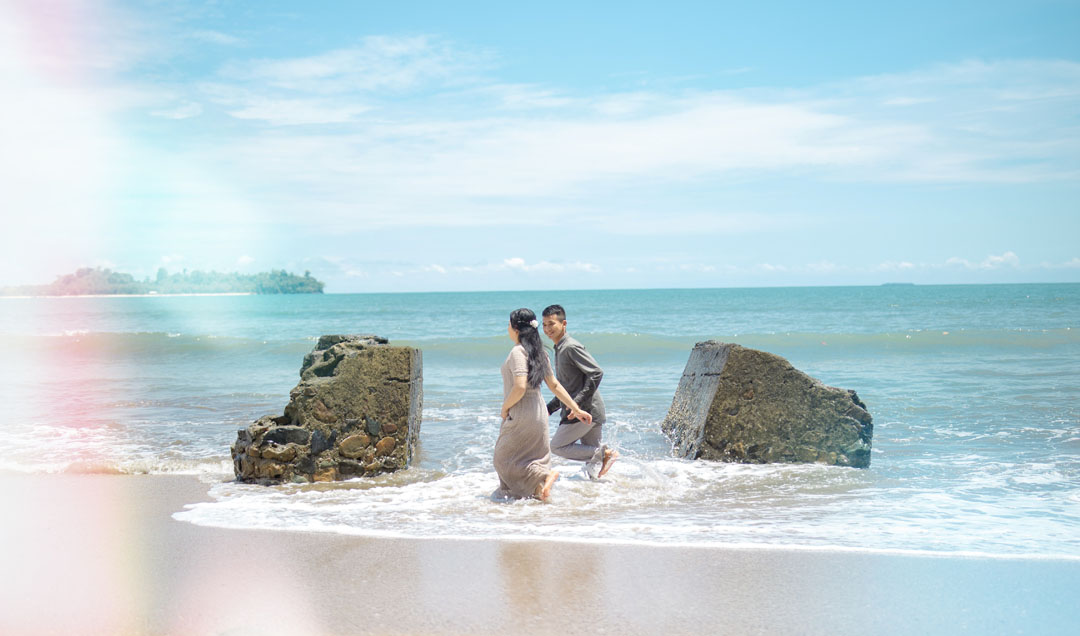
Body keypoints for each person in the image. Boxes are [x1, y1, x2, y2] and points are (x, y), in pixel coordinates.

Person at [496, 308, 593, 502]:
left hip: (521, 411)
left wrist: (505, 407)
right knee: (530, 457)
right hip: (539, 412)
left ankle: (544, 477)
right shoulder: (540, 352)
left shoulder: (517, 351)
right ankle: (538, 491)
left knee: (503, 459)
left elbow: (520, 386)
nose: (507, 329)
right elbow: (554, 385)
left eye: (508, 325)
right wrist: (576, 408)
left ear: (516, 329)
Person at [542, 304, 619, 480]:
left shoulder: (570, 347)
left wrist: (575, 405)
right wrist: (549, 409)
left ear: (564, 324)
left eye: (551, 324)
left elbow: (596, 372)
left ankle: (606, 453)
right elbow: (567, 387)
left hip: (585, 411)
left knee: (557, 446)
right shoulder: (560, 348)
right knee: (593, 470)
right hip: (589, 410)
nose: (547, 329)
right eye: (544, 325)